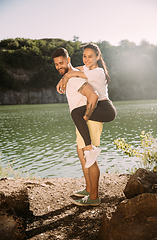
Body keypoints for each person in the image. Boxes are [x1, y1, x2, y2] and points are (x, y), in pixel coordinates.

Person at [52, 47, 103, 206]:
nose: (59, 66)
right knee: (81, 153)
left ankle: (94, 197)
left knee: (90, 156)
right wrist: (65, 76)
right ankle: (88, 189)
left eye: (61, 62)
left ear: (68, 60)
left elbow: (93, 96)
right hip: (82, 122)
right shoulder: (70, 77)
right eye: (56, 64)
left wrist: (86, 117)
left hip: (89, 121)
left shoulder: (75, 79)